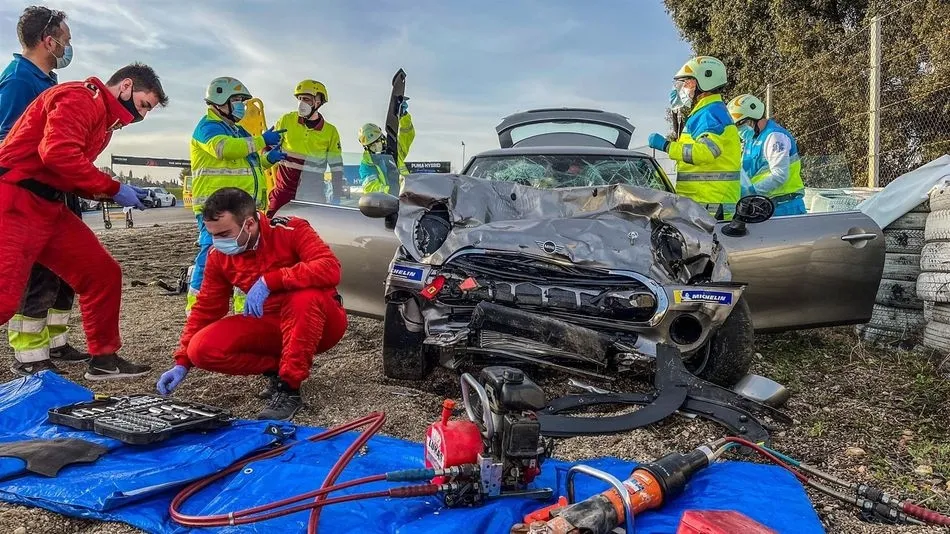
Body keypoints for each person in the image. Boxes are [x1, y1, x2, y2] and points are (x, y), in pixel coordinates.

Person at [0, 62, 168, 380]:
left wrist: (116, 193)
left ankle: (104, 359)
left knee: (101, 273)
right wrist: (115, 189)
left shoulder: (101, 122)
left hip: (48, 206)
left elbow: (67, 169)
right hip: (15, 200)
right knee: (4, 297)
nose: (141, 117)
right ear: (126, 86)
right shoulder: (80, 98)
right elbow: (58, 154)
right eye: (144, 105)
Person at [156, 187, 347, 421]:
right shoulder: (219, 256)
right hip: (272, 323)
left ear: (249, 224)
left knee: (303, 298)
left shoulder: (291, 229)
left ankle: (289, 388)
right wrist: (182, 362)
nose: (218, 242)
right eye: (213, 235)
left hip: (321, 321)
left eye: (224, 234)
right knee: (201, 349)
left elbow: (330, 268)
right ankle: (279, 367)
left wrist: (271, 281)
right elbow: (206, 308)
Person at [0, 6, 91, 375]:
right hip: (32, 193)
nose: (68, 47)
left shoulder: (47, 81)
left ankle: (56, 341)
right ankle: (29, 355)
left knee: (65, 272)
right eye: (65, 41)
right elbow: (6, 141)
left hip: (59, 188)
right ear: (48, 41)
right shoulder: (19, 81)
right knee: (37, 272)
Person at [187, 77, 285, 315]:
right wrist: (262, 140)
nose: (242, 105)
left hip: (242, 208)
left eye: (242, 100)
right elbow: (225, 150)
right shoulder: (208, 127)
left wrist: (266, 159)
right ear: (221, 101)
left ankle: (245, 308)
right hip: (217, 208)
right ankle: (197, 308)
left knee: (248, 258)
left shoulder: (238, 130)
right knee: (211, 255)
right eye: (237, 100)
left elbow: (248, 162)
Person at [646, 56, 742, 220]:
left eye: (687, 82)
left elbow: (705, 152)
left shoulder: (708, 115)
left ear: (704, 82)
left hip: (709, 207)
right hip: (706, 205)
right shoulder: (708, 112)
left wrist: (667, 146)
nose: (683, 88)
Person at [265, 80, 344, 214]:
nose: (301, 103)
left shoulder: (330, 132)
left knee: (313, 232)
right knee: (272, 229)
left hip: (312, 196)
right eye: (299, 99)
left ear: (318, 102)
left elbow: (336, 167)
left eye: (306, 99)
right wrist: (267, 154)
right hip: (283, 193)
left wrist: (337, 196)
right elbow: (268, 148)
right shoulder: (286, 120)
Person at [727, 94, 806, 216]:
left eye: (741, 124)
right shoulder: (751, 139)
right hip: (765, 205)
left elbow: (780, 175)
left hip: (784, 207)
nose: (739, 130)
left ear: (754, 118)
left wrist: (750, 191)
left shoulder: (775, 137)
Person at [358, 98, 415, 195]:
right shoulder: (367, 165)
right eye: (372, 146)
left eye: (378, 142)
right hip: (387, 204)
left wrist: (404, 116)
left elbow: (407, 134)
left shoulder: (394, 150)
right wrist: (389, 191)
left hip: (407, 197)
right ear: (367, 148)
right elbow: (370, 188)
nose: (377, 148)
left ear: (382, 139)